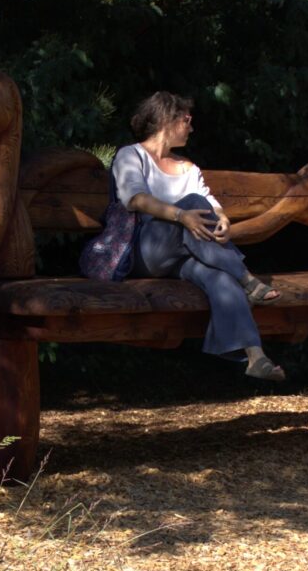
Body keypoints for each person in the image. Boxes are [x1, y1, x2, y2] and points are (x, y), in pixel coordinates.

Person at [113, 91, 285, 382]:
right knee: (191, 204)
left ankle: (256, 356)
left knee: (219, 277)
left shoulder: (188, 168)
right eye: (187, 120)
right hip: (146, 251)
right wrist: (182, 215)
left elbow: (211, 203)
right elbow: (136, 199)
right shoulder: (131, 155)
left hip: (184, 257)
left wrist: (224, 219)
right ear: (167, 119)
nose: (191, 128)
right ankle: (248, 279)